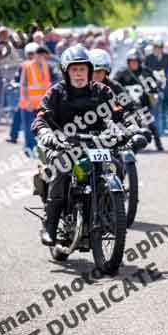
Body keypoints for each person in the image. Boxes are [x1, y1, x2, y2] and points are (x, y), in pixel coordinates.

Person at [32, 46, 122, 246]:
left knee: (117, 164)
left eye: (82, 69)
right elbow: (40, 119)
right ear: (66, 72)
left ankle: (111, 213)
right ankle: (51, 225)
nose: (79, 74)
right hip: (63, 144)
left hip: (95, 143)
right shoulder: (56, 92)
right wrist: (47, 135)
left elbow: (114, 115)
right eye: (74, 70)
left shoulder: (102, 91)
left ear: (89, 71)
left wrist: (119, 129)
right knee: (62, 169)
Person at [114, 48, 164, 151]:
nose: (133, 64)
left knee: (152, 126)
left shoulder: (146, 72)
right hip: (127, 107)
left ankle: (159, 145)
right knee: (126, 126)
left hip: (143, 106)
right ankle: (124, 147)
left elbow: (155, 85)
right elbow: (113, 85)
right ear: (128, 62)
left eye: (135, 61)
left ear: (139, 62)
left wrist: (154, 91)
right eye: (131, 61)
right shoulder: (122, 73)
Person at [18, 42, 51, 156]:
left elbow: (46, 85)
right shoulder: (27, 66)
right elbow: (23, 85)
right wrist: (27, 102)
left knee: (41, 128)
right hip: (29, 104)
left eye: (44, 56)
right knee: (28, 128)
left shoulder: (46, 66)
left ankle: (38, 148)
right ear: (36, 55)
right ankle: (28, 148)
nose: (42, 57)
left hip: (41, 104)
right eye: (40, 55)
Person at [145, 39, 168, 134]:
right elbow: (143, 71)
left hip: (166, 83)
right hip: (152, 85)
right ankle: (150, 127)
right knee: (149, 104)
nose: (157, 50)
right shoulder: (148, 58)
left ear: (162, 49)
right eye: (155, 48)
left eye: (159, 48)